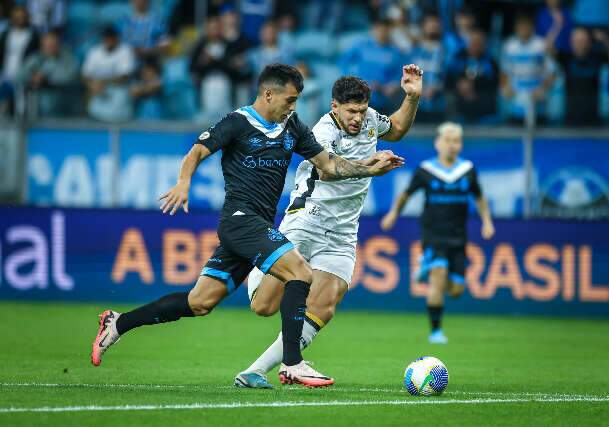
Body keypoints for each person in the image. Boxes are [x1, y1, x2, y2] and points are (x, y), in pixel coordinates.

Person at [91, 63, 404, 388]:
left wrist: (367, 167)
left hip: (256, 227)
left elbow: (328, 165)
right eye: (290, 100)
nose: (293, 107)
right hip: (240, 220)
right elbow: (197, 151)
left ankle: (118, 322)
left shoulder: (292, 126)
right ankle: (293, 363)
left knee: (200, 302)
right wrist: (183, 182)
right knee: (300, 273)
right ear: (268, 94)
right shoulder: (237, 122)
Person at [234, 65, 424, 389]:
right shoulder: (323, 131)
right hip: (307, 219)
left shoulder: (369, 121)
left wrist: (412, 97)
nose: (358, 118)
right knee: (263, 306)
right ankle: (254, 265)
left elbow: (396, 129)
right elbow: (328, 171)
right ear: (335, 106)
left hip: (343, 232)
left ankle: (259, 370)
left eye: (362, 110)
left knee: (327, 302)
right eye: (351, 111)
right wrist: (370, 167)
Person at [381, 122, 494, 344]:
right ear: (438, 143)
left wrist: (487, 222)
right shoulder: (426, 170)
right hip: (433, 233)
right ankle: (436, 332)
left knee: (456, 290)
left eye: (457, 141)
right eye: (448, 141)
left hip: (459, 236)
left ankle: (425, 267)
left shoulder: (467, 170)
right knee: (438, 276)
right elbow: (406, 194)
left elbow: (479, 197)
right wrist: (393, 214)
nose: (452, 145)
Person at [552, 27, 609, 126]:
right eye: (576, 41)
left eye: (582, 40)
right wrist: (556, 28)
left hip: (593, 117)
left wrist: (605, 39)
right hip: (571, 117)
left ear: (589, 42)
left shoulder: (597, 57)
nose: (579, 44)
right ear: (571, 42)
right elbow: (547, 49)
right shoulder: (566, 57)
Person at [500, 13, 556, 125]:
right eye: (521, 26)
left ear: (532, 27)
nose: (523, 29)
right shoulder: (509, 46)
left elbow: (552, 72)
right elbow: (504, 72)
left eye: (527, 26)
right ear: (516, 28)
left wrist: (543, 89)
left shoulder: (541, 45)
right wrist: (505, 87)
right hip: (516, 101)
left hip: (537, 101)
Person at [339, 18, 404, 111]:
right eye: (379, 29)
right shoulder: (361, 46)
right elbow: (343, 63)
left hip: (383, 101)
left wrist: (393, 86)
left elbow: (398, 75)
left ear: (390, 31)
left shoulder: (395, 52)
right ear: (373, 30)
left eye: (385, 30)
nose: (381, 33)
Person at [17, 29, 77, 117]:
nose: (50, 47)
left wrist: (45, 78)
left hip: (62, 104)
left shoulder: (68, 58)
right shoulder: (35, 58)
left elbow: (69, 77)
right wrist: (32, 78)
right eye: (47, 45)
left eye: (53, 44)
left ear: (59, 45)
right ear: (42, 45)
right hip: (36, 105)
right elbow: (19, 76)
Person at [82, 26, 136, 122]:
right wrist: (92, 85)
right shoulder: (94, 52)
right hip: (98, 94)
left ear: (117, 38)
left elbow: (125, 76)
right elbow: (85, 75)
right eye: (106, 37)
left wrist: (103, 82)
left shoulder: (125, 51)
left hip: (119, 95)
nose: (108, 40)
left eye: (111, 37)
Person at [446, 27, 499, 124]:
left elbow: (494, 84)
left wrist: (474, 87)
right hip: (460, 105)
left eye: (479, 43)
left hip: (482, 103)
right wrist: (459, 85)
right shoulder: (458, 58)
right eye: (473, 42)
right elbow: (448, 81)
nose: (476, 46)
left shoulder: (490, 61)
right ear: (468, 43)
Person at [0, 5, 39, 115]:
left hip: (23, 72)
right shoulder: (6, 34)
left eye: (22, 17)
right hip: (5, 71)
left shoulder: (33, 35)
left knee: (20, 102)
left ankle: (20, 121)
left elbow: (36, 57)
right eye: (16, 17)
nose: (19, 20)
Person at [409, 13, 445, 123]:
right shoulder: (415, 50)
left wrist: (436, 87)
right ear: (423, 27)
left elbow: (448, 74)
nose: (433, 27)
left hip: (439, 103)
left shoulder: (446, 50)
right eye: (430, 24)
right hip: (415, 103)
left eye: (436, 24)